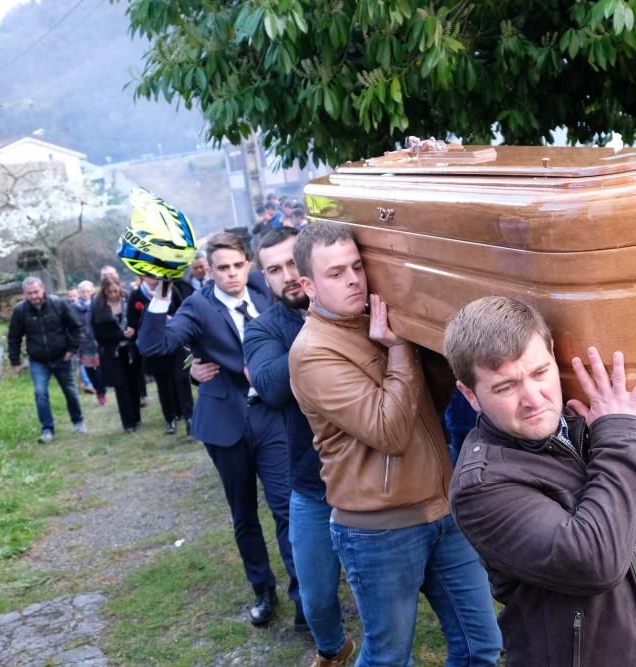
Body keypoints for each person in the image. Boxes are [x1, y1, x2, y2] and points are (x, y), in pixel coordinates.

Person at [444, 296, 636, 666]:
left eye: (540, 373)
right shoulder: (482, 486)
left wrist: (629, 430)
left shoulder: (590, 422)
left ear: (554, 356)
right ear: (469, 394)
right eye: (505, 387)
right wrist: (621, 437)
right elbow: (595, 562)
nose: (533, 398)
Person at [289, 221, 502, 667]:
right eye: (335, 273)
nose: (352, 279)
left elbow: (429, 404)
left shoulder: (381, 319)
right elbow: (389, 430)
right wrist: (401, 349)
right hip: (379, 530)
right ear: (308, 284)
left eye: (357, 266)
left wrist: (433, 341)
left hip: (443, 509)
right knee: (389, 657)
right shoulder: (312, 352)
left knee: (481, 644)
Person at [136, 231, 300, 626]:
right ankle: (263, 590)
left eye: (238, 266)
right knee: (243, 513)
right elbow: (156, 347)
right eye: (222, 269)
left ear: (249, 264)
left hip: (272, 414)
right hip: (226, 422)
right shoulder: (197, 306)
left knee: (287, 509)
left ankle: (305, 599)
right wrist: (160, 297)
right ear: (208, 271)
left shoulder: (265, 286)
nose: (232, 275)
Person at [241, 226, 355, 666]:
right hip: (313, 482)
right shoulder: (264, 329)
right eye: (274, 269)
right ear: (264, 279)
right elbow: (269, 385)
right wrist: (323, 331)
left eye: (293, 263)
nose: (287, 275)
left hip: (374, 474)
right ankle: (332, 650)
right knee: (316, 597)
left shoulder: (356, 306)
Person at [7, 276, 87, 443]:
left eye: (36, 292)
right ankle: (47, 429)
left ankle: (78, 421)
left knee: (70, 391)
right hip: (38, 360)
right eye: (29, 293)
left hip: (62, 357)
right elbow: (14, 337)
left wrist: (71, 350)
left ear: (42, 288)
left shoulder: (58, 304)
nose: (34, 296)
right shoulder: (20, 311)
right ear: (24, 294)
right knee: (40, 393)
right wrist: (15, 362)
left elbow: (75, 327)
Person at [128, 276, 195, 435]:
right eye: (151, 275)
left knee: (182, 380)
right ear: (142, 277)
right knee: (163, 385)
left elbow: (182, 312)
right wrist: (152, 322)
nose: (154, 278)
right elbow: (132, 320)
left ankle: (190, 418)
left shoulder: (172, 291)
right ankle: (170, 419)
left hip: (175, 345)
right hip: (155, 350)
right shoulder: (136, 295)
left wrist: (172, 319)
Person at [91, 276, 142, 432]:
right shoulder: (99, 307)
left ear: (120, 287)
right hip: (113, 352)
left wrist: (134, 331)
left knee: (133, 383)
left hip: (132, 349)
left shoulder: (129, 300)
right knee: (121, 386)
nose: (113, 294)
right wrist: (121, 335)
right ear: (104, 292)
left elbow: (140, 320)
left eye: (115, 290)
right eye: (109, 292)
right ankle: (128, 423)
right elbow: (99, 335)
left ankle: (136, 417)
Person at [73, 281, 105, 405]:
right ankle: (98, 391)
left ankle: (102, 391)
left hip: (98, 340)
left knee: (100, 367)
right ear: (79, 292)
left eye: (88, 291)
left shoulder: (98, 304)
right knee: (89, 369)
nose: (85, 294)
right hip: (84, 342)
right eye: (82, 291)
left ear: (92, 291)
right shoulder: (74, 307)